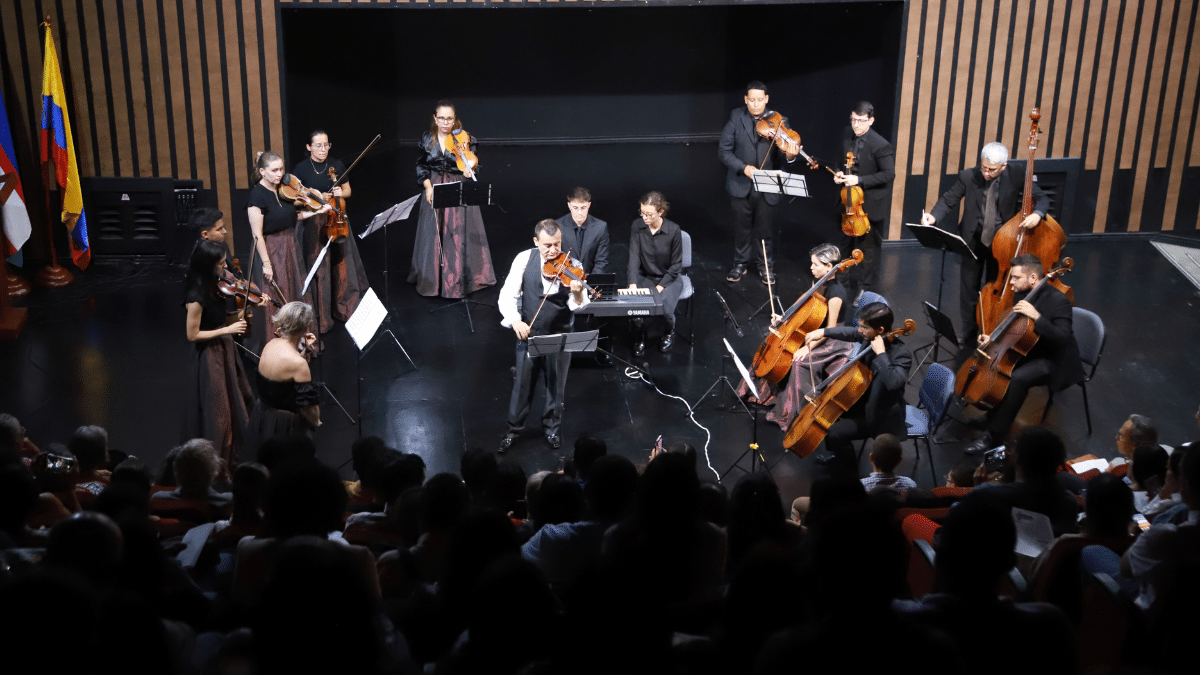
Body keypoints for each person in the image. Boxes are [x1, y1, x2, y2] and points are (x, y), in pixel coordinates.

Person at [922, 142, 1050, 341]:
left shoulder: (1017, 173)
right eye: (984, 168)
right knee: (968, 291)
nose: (986, 173)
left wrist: (1038, 214)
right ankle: (969, 333)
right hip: (973, 240)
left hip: (1002, 242)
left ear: (1004, 166)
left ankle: (990, 328)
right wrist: (933, 216)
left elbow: (1042, 198)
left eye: (992, 170)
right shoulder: (968, 176)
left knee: (994, 287)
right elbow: (948, 199)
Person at [963, 254, 1084, 454]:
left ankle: (993, 436)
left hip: (1056, 360)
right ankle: (992, 417)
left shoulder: (1059, 301)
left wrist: (1037, 316)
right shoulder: (1025, 295)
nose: (1010, 283)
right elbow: (1018, 331)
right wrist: (993, 340)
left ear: (1033, 279)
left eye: (1016, 278)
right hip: (1033, 351)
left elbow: (1062, 338)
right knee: (1003, 366)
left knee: (1017, 378)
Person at [497, 220, 590, 453]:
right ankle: (513, 431)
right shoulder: (523, 259)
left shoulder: (572, 265)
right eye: (547, 245)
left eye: (557, 244)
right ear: (536, 241)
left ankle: (552, 429)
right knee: (522, 384)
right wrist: (515, 319)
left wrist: (578, 293)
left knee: (556, 387)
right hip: (530, 333)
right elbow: (507, 294)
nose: (553, 250)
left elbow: (578, 306)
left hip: (560, 334)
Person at [742, 243, 854, 430]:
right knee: (771, 344)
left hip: (832, 340)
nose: (811, 267)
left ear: (829, 267)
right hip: (815, 330)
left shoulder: (836, 294)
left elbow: (830, 329)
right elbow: (807, 312)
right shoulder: (817, 283)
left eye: (816, 264)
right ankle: (764, 392)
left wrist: (807, 347)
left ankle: (793, 413)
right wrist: (784, 319)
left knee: (798, 361)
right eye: (812, 263)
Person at [800, 302, 912, 474]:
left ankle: (850, 473)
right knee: (827, 414)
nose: (859, 330)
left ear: (880, 330)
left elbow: (893, 382)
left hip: (879, 413)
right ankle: (839, 455)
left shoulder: (900, 354)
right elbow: (850, 332)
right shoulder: (870, 336)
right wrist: (822, 332)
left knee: (835, 432)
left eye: (864, 327)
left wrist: (881, 354)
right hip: (860, 399)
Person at [409, 100, 496, 298]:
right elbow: (421, 166)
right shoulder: (427, 138)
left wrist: (470, 168)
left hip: (457, 186)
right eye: (441, 118)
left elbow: (475, 163)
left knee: (457, 234)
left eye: (449, 118)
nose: (445, 122)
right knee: (432, 235)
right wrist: (428, 186)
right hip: (434, 186)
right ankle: (434, 280)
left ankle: (456, 281)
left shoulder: (464, 138)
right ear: (435, 118)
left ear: (455, 119)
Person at [183, 239, 256, 470]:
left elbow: (219, 318)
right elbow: (192, 335)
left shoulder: (216, 284)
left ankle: (236, 454)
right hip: (209, 355)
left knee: (237, 400)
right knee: (219, 411)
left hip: (224, 348)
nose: (226, 269)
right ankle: (217, 463)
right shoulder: (196, 296)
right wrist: (229, 329)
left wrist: (240, 316)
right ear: (207, 265)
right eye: (221, 264)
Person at [290, 130, 370, 335]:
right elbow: (295, 200)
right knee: (320, 267)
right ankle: (322, 314)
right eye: (318, 145)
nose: (323, 149)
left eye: (326, 145)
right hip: (313, 224)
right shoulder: (300, 169)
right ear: (308, 147)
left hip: (337, 220)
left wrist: (339, 193)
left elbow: (348, 191)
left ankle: (343, 308)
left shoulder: (337, 164)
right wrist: (315, 198)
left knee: (341, 265)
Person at [718, 80, 798, 284]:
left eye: (759, 100)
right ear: (746, 99)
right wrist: (744, 168)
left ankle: (765, 267)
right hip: (740, 184)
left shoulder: (780, 121)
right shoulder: (736, 117)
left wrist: (790, 156)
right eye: (751, 100)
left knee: (765, 230)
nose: (755, 104)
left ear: (766, 99)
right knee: (741, 229)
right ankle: (740, 264)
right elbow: (724, 152)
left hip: (768, 186)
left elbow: (784, 158)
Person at [246, 151, 326, 325]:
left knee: (294, 290)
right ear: (262, 171)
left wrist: (315, 211)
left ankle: (298, 337)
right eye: (274, 170)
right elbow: (257, 234)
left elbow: (289, 217)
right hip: (272, 249)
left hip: (290, 244)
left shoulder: (283, 190)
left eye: (281, 169)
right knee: (278, 292)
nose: (280, 174)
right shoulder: (256, 196)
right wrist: (267, 264)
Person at [244, 301, 321, 459]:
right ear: (305, 328)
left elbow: (284, 371)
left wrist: (304, 348)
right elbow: (309, 408)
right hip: (285, 425)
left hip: (263, 416)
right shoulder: (299, 364)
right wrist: (316, 421)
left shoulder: (270, 345)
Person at [833, 101, 895, 297]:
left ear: (871, 121)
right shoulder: (846, 133)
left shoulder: (881, 145)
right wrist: (838, 173)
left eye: (861, 121)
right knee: (843, 245)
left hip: (868, 205)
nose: (856, 125)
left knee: (867, 250)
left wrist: (860, 179)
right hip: (847, 202)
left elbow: (888, 174)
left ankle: (864, 289)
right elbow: (839, 161)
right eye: (853, 120)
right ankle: (842, 285)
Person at [555, 187, 613, 365]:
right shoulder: (558, 226)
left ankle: (601, 347)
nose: (579, 213)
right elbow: (555, 257)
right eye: (575, 208)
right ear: (569, 206)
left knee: (604, 308)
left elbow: (601, 261)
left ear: (588, 205)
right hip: (565, 280)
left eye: (583, 208)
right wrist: (569, 281)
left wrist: (590, 283)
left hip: (590, 280)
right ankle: (563, 348)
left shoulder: (600, 227)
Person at [627, 191, 684, 356]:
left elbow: (676, 266)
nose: (645, 217)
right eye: (642, 212)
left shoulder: (673, 230)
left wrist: (660, 287)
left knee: (665, 310)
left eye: (649, 214)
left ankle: (668, 333)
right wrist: (632, 283)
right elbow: (633, 258)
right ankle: (640, 336)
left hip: (669, 279)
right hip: (646, 276)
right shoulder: (637, 227)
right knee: (635, 309)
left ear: (660, 212)